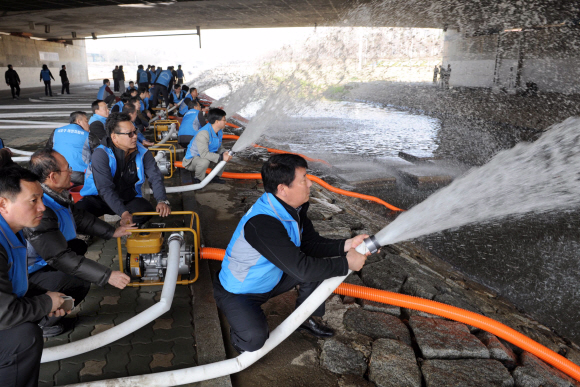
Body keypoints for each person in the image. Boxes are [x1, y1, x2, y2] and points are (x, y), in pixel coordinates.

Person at [213, 154, 369, 353]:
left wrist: (347, 245)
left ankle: (304, 318)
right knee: (253, 339)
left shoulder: (293, 208)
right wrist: (346, 263)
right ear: (282, 189)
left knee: (316, 268)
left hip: (271, 277)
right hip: (240, 291)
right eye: (304, 179)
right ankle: (240, 335)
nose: (310, 184)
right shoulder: (262, 223)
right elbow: (302, 269)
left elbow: (310, 244)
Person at [25, 149, 133, 336]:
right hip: (21, 277)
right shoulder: (40, 209)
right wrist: (107, 275)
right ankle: (43, 322)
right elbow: (59, 257)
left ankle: (50, 301)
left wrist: (112, 231)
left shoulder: (51, 194)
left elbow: (79, 218)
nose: (73, 172)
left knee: (78, 246)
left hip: (37, 261)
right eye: (68, 169)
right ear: (53, 176)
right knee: (80, 281)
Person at [0, 151, 70, 385]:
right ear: (3, 204)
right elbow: (5, 313)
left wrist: (44, 302)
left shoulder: (11, 232)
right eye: (33, 201)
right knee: (24, 337)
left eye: (41, 199)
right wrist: (46, 303)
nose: (42, 207)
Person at [77, 113, 170, 226]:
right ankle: (97, 230)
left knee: (145, 210)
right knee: (77, 213)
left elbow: (155, 176)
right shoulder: (101, 154)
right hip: (99, 198)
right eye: (129, 134)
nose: (135, 136)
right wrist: (124, 213)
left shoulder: (143, 152)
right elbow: (105, 189)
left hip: (126, 197)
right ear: (114, 137)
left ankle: (122, 226)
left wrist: (161, 200)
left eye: (135, 132)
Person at [182, 108, 231, 184]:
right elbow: (204, 154)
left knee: (225, 156)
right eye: (224, 120)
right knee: (204, 161)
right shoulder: (204, 133)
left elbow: (219, 146)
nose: (226, 122)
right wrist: (221, 157)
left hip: (206, 157)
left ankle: (215, 176)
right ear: (217, 121)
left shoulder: (219, 131)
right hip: (192, 161)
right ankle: (198, 180)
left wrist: (225, 152)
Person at [45, 111, 91, 186]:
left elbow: (47, 151)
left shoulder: (56, 131)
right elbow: (98, 153)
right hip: (80, 174)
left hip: (57, 173)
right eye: (86, 121)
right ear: (78, 121)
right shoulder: (88, 135)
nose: (88, 125)